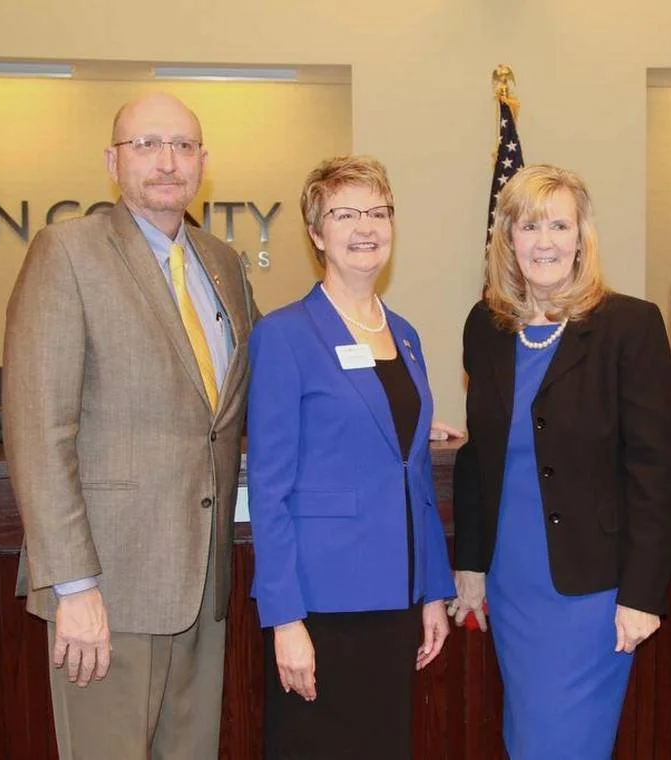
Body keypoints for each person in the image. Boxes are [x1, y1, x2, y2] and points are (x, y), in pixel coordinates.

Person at [2, 92, 257, 759]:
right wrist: (75, 587)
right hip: (109, 588)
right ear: (112, 162)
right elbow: (38, 431)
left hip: (203, 586)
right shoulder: (67, 253)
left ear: (204, 160)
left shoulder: (222, 264)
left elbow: (234, 407)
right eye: (145, 145)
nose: (167, 161)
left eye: (182, 145)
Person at [450, 163, 671, 759]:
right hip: (512, 580)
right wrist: (470, 564)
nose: (544, 241)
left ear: (582, 238)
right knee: (526, 736)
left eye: (559, 224)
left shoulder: (630, 325)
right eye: (529, 225)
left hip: (593, 592)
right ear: (507, 238)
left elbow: (655, 469)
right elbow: (480, 456)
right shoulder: (486, 325)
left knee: (564, 743)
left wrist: (643, 594)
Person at [246, 155, 455, 760]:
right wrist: (285, 620)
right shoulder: (285, 334)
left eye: (377, 211)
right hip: (320, 606)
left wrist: (433, 591)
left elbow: (410, 471)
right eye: (344, 213)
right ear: (316, 233)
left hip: (396, 600)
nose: (365, 226)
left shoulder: (406, 335)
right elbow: (269, 487)